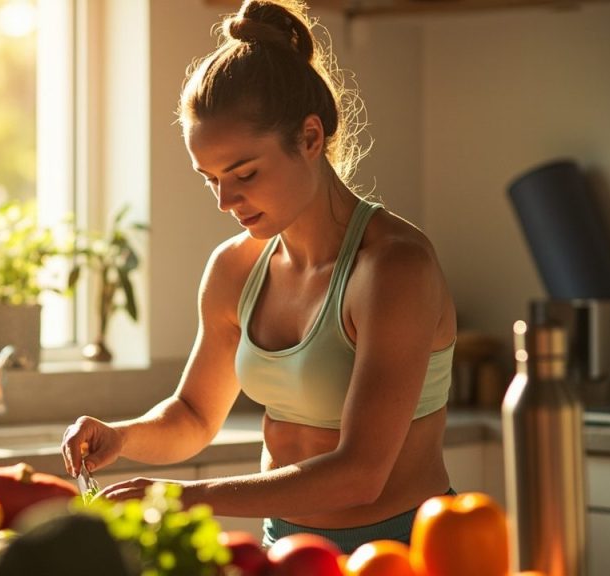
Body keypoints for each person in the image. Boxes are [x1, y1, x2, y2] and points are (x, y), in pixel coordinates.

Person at [60, 0, 457, 554]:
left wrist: (181, 496)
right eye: (211, 179)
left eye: (244, 172)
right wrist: (122, 437)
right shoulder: (235, 269)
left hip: (399, 549)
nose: (226, 200)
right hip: (284, 549)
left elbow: (361, 473)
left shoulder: (394, 268)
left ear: (311, 138)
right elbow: (195, 414)